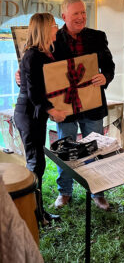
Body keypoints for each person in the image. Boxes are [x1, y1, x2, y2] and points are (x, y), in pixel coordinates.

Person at [52, 0, 115, 210]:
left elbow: (109, 65)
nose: (81, 17)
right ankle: (65, 192)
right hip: (65, 105)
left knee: (94, 147)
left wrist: (105, 77)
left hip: (92, 102)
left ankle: (98, 192)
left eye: (83, 13)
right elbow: (43, 70)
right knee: (66, 148)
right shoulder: (53, 39)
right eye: (75, 14)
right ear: (64, 17)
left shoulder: (97, 37)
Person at [14, 13, 68, 224]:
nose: (57, 29)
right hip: (28, 114)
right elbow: (35, 93)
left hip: (36, 115)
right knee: (35, 164)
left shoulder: (48, 52)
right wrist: (53, 111)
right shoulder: (32, 55)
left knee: (39, 165)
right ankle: (34, 216)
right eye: (55, 25)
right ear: (45, 28)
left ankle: (38, 212)